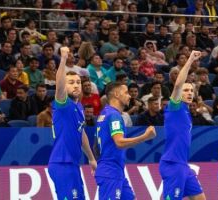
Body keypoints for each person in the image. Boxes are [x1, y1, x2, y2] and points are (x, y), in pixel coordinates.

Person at [47, 47, 97, 200]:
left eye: (78, 82)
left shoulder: (79, 107)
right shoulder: (63, 104)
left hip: (73, 164)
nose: (76, 85)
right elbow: (59, 85)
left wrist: (91, 158)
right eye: (71, 83)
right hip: (61, 163)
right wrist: (63, 59)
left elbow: (81, 134)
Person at [94, 82, 156, 199]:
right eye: (126, 92)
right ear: (117, 94)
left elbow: (96, 146)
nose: (130, 96)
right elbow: (119, 142)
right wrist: (145, 137)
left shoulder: (105, 113)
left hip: (115, 171)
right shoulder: (114, 115)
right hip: (110, 172)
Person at [159, 50, 206, 200]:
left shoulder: (186, 111)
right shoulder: (175, 108)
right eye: (186, 90)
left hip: (183, 165)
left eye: (192, 90)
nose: (190, 93)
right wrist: (191, 59)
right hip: (172, 164)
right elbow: (178, 84)